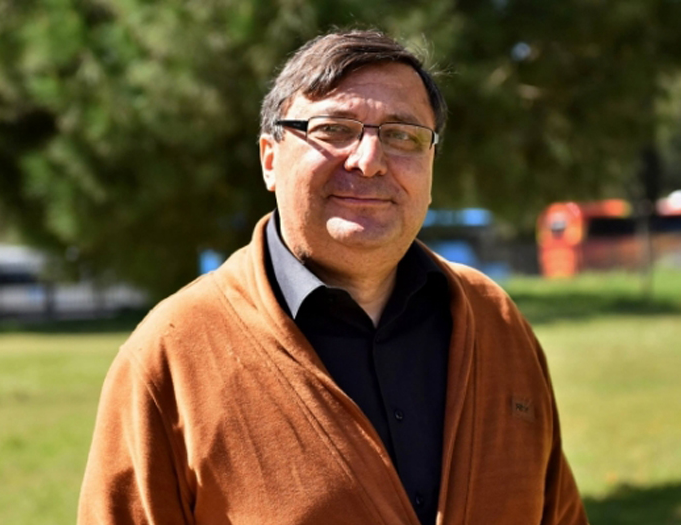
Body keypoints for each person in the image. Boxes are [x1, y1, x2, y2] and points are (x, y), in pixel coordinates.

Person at [78, 30, 589, 525]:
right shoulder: (173, 355)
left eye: (403, 135)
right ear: (270, 159)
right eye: (333, 129)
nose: (369, 161)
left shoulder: (495, 322)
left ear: (432, 164)